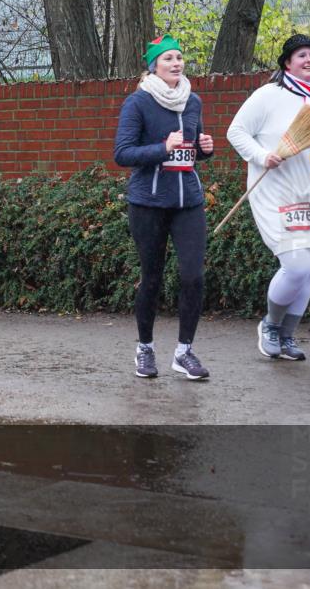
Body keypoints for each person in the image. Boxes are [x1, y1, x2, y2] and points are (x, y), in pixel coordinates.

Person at [226, 34, 310, 361]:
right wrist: (262, 155)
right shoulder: (269, 95)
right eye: (302, 56)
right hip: (278, 189)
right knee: (295, 265)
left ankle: (287, 336)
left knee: (308, 267)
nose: (309, 60)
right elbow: (236, 132)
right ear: (287, 63)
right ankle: (270, 324)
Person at [114, 34, 215, 380]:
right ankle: (145, 348)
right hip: (148, 204)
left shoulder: (193, 101)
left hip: (188, 201)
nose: (176, 63)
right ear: (153, 66)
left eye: (179, 57)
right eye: (168, 58)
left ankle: (184, 351)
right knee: (152, 279)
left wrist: (204, 148)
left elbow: (190, 152)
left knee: (193, 276)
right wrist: (161, 147)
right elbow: (122, 154)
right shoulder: (137, 103)